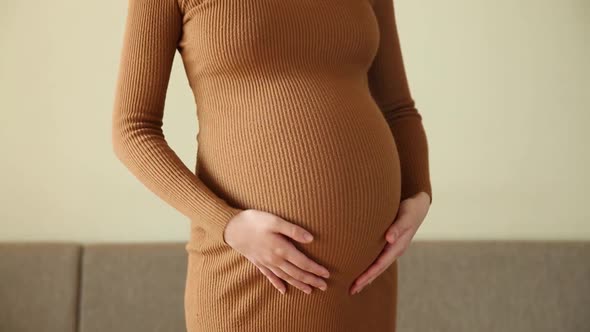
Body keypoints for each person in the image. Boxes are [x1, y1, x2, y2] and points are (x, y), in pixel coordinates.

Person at [111, 0, 432, 330]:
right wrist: (227, 224)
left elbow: (399, 111)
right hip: (248, 273)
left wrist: (420, 192)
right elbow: (133, 129)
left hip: (365, 282)